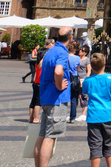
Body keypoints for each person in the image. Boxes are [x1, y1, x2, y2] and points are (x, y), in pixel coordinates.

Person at [35, 27, 72, 167]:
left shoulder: (50, 51)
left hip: (46, 97)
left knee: (42, 135)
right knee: (50, 138)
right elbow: (58, 71)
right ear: (71, 37)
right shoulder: (62, 52)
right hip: (57, 99)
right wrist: (59, 85)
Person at [82, 52, 111, 167]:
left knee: (95, 146)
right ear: (104, 64)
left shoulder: (88, 81)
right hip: (108, 115)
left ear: (91, 65)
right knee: (109, 144)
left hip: (93, 116)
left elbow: (84, 92)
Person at [75, 45, 91, 122]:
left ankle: (84, 114)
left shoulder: (87, 60)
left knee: (83, 96)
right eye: (80, 49)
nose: (80, 51)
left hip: (83, 79)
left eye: (82, 50)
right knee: (76, 96)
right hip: (76, 78)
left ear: (86, 53)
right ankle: (73, 113)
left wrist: (85, 80)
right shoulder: (77, 59)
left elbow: (88, 71)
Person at [68, 45, 82, 121]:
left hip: (67, 77)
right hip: (75, 77)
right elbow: (77, 69)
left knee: (63, 97)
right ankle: (72, 117)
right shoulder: (77, 58)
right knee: (74, 98)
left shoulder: (66, 56)